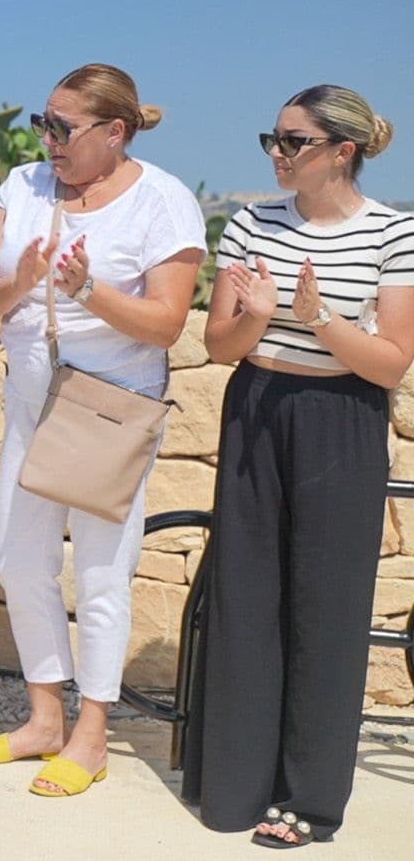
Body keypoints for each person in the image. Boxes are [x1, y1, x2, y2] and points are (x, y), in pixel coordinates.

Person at [0, 63, 205, 797]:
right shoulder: (22, 184)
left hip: (108, 410)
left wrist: (86, 292)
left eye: (64, 128)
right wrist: (23, 280)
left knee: (100, 574)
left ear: (115, 132)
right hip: (30, 403)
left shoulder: (164, 203)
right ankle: (43, 718)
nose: (49, 139)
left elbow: (165, 324)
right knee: (18, 560)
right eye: (45, 122)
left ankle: (91, 735)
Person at [188, 86, 410, 847]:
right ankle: (236, 787)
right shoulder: (251, 222)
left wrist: (317, 317)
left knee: (328, 611)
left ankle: (311, 801)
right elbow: (220, 346)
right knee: (246, 598)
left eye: (293, 142)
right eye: (272, 140)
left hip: (342, 421)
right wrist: (257, 312)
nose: (276, 155)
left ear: (342, 151)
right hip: (256, 407)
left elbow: (389, 364)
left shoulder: (395, 232)